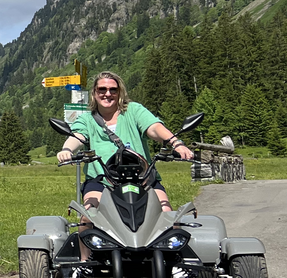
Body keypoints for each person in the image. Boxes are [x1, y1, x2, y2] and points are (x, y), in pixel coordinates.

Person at [56, 71, 194, 212]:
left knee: (166, 215)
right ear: (94, 93)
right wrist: (67, 150)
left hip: (142, 179)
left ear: (120, 92)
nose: (107, 94)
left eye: (113, 90)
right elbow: (77, 136)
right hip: (101, 181)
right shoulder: (86, 119)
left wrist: (176, 143)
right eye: (102, 89)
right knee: (89, 217)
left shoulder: (133, 111)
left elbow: (154, 128)